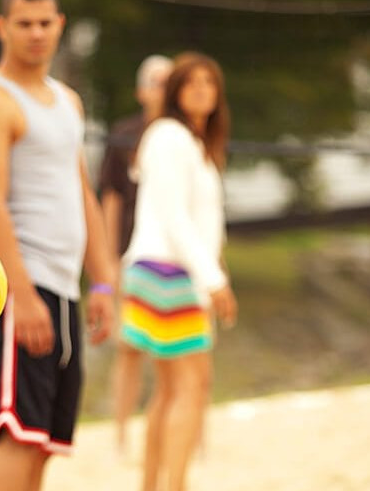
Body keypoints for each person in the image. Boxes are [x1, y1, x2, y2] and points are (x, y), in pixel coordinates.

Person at [0, 0, 116, 491]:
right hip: (22, 289)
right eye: (24, 23)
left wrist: (103, 283)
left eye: (45, 23)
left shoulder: (67, 101)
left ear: (60, 26)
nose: (36, 33)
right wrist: (21, 296)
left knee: (44, 440)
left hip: (65, 289)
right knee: (18, 437)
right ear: (3, 27)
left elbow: (82, 194)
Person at [121, 52, 238, 491]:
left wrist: (213, 271)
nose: (202, 88)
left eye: (210, 81)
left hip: (166, 268)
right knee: (191, 386)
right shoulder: (170, 135)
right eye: (191, 82)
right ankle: (174, 485)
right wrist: (213, 279)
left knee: (171, 390)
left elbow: (199, 223)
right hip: (168, 270)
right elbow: (175, 218)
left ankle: (155, 485)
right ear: (175, 91)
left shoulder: (189, 141)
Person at [100, 54, 172, 458]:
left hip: (175, 259)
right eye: (157, 81)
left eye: (169, 80)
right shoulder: (125, 134)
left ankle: (179, 435)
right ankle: (122, 435)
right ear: (141, 90)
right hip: (132, 255)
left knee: (176, 352)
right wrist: (110, 258)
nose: (164, 88)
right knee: (129, 349)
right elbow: (110, 198)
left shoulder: (187, 134)